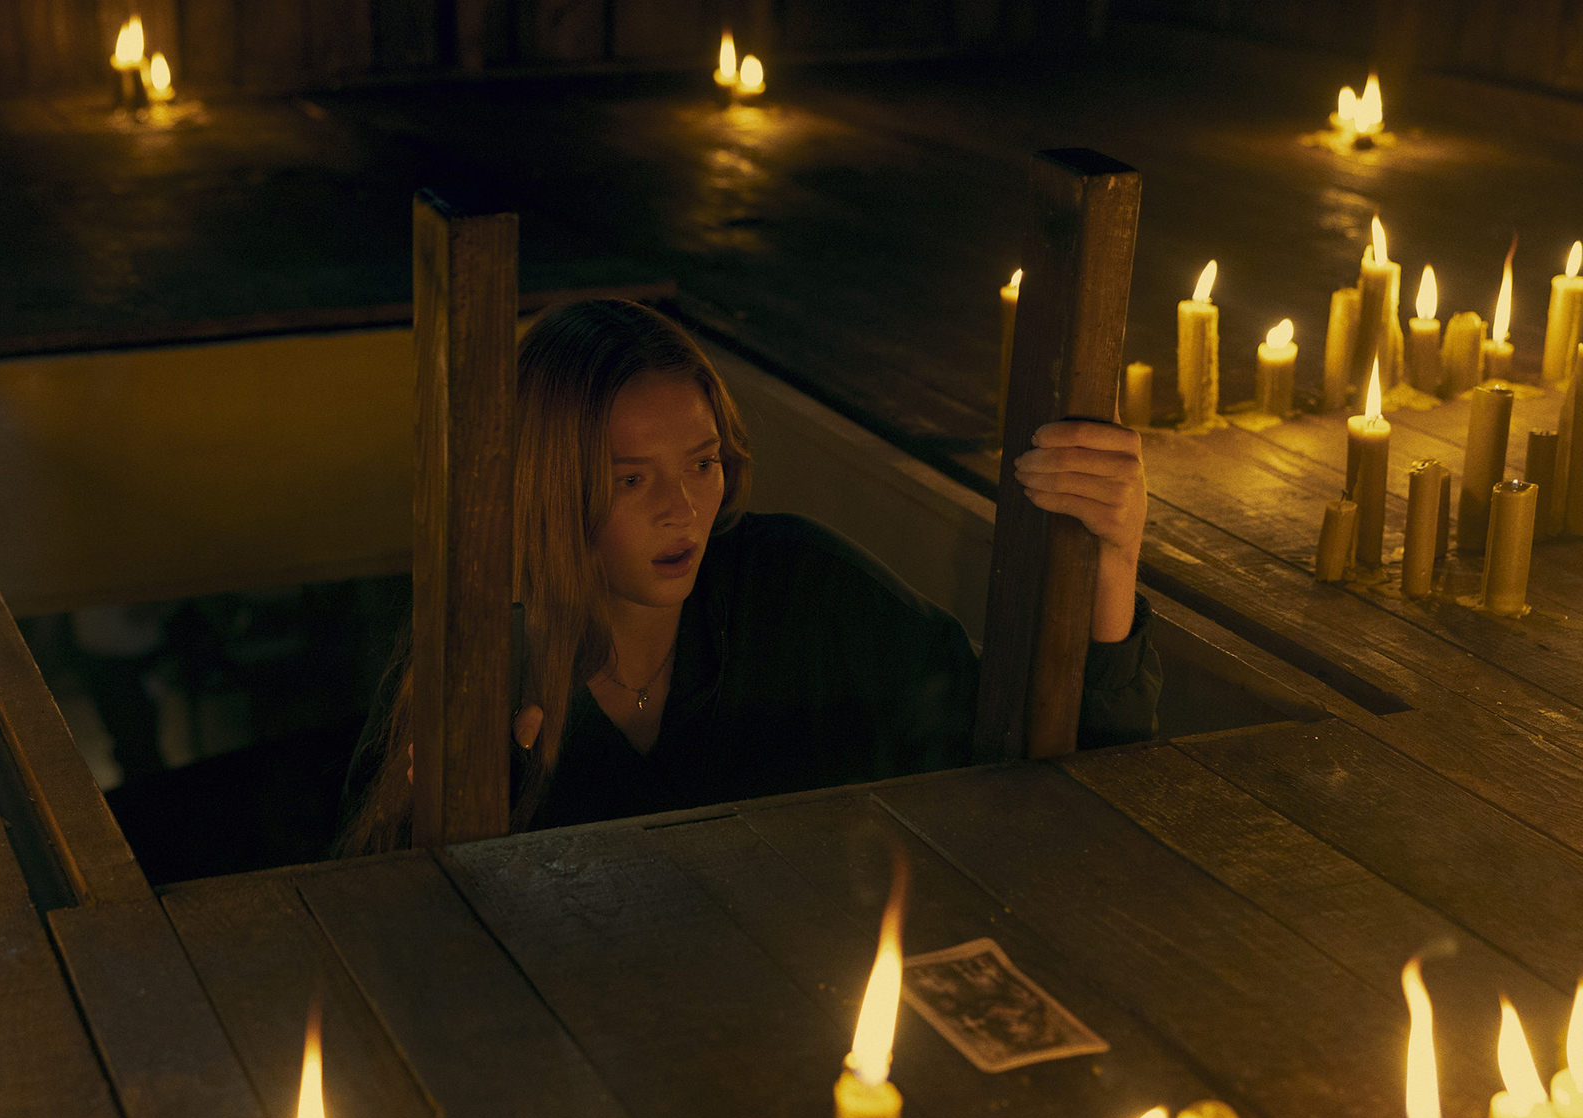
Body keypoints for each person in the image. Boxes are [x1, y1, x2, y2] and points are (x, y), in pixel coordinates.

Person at [338, 300, 1158, 854]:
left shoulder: (799, 587)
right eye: (631, 479)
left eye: (702, 463)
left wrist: (1114, 555)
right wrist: (431, 832)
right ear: (550, 489)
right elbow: (389, 931)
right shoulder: (488, 659)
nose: (682, 509)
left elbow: (1039, 756)